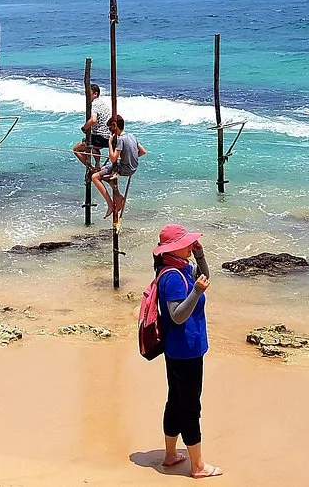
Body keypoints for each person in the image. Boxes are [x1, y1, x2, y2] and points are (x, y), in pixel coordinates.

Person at [153, 224, 221, 478]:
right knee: (190, 406)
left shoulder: (181, 268)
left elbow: (205, 276)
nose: (191, 246)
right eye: (188, 244)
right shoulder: (172, 276)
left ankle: (170, 456)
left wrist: (200, 255)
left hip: (181, 349)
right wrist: (196, 292)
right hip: (184, 351)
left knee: (176, 401)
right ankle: (198, 467)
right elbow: (178, 316)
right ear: (174, 248)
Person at [92, 115, 145, 222]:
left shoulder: (120, 139)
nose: (109, 131)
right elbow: (143, 151)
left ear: (114, 126)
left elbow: (113, 158)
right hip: (132, 167)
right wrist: (129, 158)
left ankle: (110, 205)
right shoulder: (132, 136)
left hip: (124, 169)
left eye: (109, 128)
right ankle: (118, 195)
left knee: (95, 177)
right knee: (103, 170)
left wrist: (110, 143)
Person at [73, 83, 111, 169]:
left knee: (76, 149)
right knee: (94, 148)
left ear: (95, 94)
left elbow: (93, 120)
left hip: (99, 138)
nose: (87, 96)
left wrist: (84, 128)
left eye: (88, 93)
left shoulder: (94, 105)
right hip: (108, 138)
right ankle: (97, 165)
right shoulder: (104, 104)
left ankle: (91, 168)